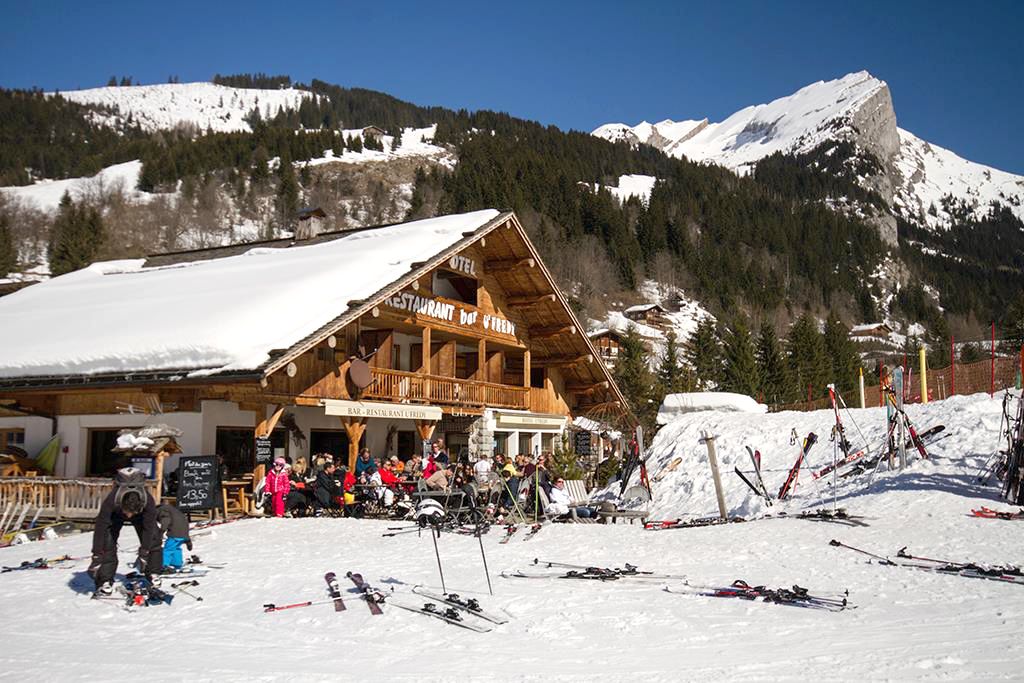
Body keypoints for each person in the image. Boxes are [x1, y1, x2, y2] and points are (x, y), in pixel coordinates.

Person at [89, 467, 162, 596]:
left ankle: (153, 573)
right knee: (107, 543)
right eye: (127, 513)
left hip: (140, 514)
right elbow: (100, 528)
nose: (129, 516)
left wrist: (144, 551)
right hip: (116, 514)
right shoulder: (111, 501)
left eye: (131, 514)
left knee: (155, 539)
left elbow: (149, 528)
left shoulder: (148, 502)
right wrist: (96, 555)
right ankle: (105, 581)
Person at [155, 503, 193, 571]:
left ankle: (164, 565)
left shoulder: (162, 511)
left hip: (175, 533)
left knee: (167, 550)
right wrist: (187, 539)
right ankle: (177, 564)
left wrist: (161, 531)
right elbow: (183, 522)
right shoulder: (173, 510)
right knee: (176, 548)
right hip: (183, 533)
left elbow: (166, 520)